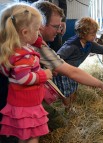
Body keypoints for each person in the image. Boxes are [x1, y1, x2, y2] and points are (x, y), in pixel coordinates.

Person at [0, 2, 52, 143]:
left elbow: (29, 40)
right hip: (27, 105)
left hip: (17, 103)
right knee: (32, 136)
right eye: (37, 30)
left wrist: (37, 40)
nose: (39, 33)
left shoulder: (12, 49)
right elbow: (24, 78)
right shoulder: (24, 55)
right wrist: (44, 75)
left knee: (22, 134)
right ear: (24, 32)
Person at [53, 17, 103, 109]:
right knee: (66, 93)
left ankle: (70, 107)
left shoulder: (89, 44)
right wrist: (55, 69)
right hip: (63, 73)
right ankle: (67, 108)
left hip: (74, 72)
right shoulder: (71, 45)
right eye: (92, 34)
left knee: (73, 89)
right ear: (83, 33)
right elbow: (57, 57)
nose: (95, 36)